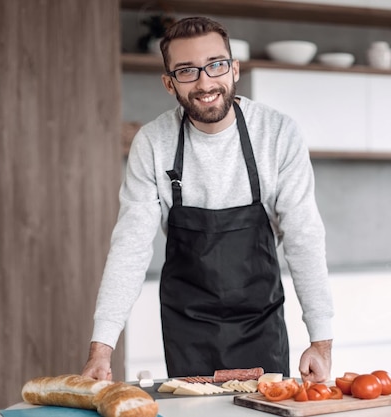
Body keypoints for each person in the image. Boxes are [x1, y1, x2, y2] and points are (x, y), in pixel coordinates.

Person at [82, 16, 334, 383]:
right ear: (170, 83)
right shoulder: (153, 143)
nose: (204, 83)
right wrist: (101, 349)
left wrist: (321, 340)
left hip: (259, 320)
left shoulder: (278, 133)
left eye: (215, 65)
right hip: (188, 326)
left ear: (234, 70)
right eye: (187, 71)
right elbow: (130, 247)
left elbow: (304, 237)